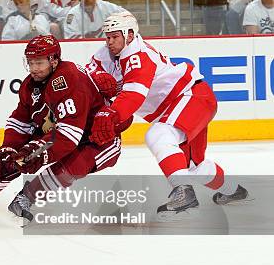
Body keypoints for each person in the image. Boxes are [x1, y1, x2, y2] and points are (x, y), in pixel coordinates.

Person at [88, 12, 248, 220]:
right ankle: (235, 190)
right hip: (180, 106)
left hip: (191, 96)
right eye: (107, 36)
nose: (109, 41)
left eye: (115, 36)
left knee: (158, 134)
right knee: (194, 167)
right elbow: (88, 80)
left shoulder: (138, 55)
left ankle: (183, 192)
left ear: (129, 35)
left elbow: (133, 96)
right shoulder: (104, 56)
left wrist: (111, 115)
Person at [0, 35, 124, 222]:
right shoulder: (30, 85)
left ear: (54, 60)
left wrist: (36, 153)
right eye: (30, 63)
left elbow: (69, 135)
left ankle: (26, 197)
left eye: (39, 63)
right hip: (61, 131)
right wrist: (9, 147)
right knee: (10, 159)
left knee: (72, 166)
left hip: (96, 139)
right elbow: (20, 121)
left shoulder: (69, 79)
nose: (33, 69)